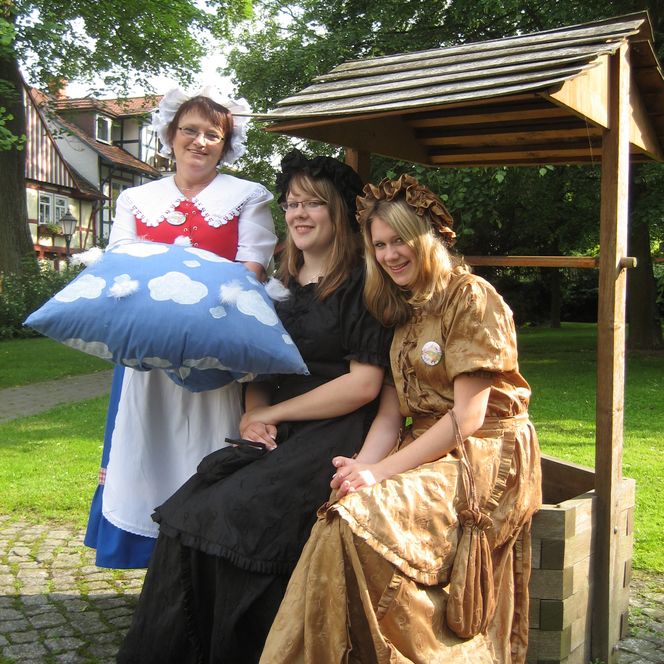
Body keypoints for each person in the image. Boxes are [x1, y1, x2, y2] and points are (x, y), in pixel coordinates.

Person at [116, 149, 393, 663]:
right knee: (191, 507)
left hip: (337, 430)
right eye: (291, 204)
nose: (298, 214)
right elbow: (259, 369)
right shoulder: (277, 286)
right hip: (279, 429)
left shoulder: (362, 284)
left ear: (338, 211)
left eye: (312, 203)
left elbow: (363, 385)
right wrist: (252, 414)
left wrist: (272, 414)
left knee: (239, 514)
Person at [261, 174, 542, 664]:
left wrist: (381, 473)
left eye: (400, 241)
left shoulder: (471, 297)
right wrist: (361, 468)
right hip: (428, 445)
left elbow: (468, 417)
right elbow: (390, 416)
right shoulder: (401, 309)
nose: (390, 255)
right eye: (379, 245)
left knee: (359, 519)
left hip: (485, 454)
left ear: (428, 239)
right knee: (339, 509)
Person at [84, 87, 277, 569]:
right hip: (148, 355)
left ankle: (202, 560)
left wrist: (200, 325)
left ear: (225, 145)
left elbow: (251, 270)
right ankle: (152, 560)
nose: (200, 141)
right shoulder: (137, 199)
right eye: (190, 130)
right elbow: (121, 268)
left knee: (208, 444)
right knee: (146, 444)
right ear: (170, 134)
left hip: (215, 351)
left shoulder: (246, 196)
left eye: (213, 134)